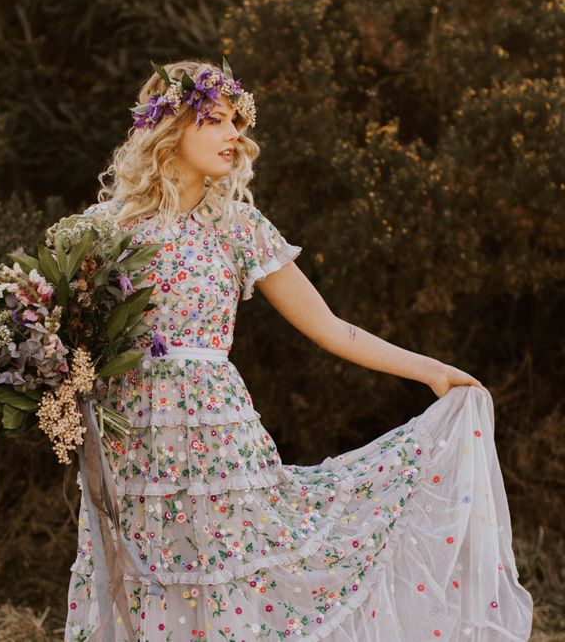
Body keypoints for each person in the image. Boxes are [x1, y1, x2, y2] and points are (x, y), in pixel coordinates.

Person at [64, 58, 533, 641]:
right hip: (128, 440)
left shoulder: (237, 226)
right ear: (169, 127)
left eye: (236, 121)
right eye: (214, 119)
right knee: (139, 583)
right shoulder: (101, 229)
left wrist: (434, 372)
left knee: (231, 583)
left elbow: (330, 326)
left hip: (217, 439)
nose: (234, 134)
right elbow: (65, 341)